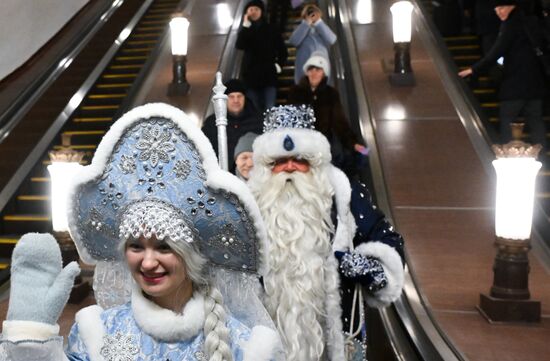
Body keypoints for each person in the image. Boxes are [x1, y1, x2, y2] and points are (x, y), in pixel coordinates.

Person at [0, 103, 283, 361]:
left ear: (192, 255)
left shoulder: (246, 347)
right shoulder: (99, 333)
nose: (148, 262)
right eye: (136, 246)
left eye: (164, 247)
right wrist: (32, 345)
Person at [247, 105, 405, 361]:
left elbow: (387, 239)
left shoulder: (345, 195)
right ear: (267, 166)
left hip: (337, 343)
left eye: (299, 160)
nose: (289, 167)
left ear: (314, 160)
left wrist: (368, 267)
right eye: (279, 161)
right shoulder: (248, 203)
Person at [458, 0, 547, 149]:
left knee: (507, 119)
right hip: (536, 84)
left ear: (512, 6)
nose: (498, 12)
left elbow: (496, 51)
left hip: (515, 84)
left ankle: (509, 156)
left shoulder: (511, 24)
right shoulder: (533, 21)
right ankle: (543, 159)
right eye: (496, 8)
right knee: (536, 120)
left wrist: (474, 69)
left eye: (502, 7)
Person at [288, 52, 368, 177]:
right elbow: (291, 118)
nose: (314, 73)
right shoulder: (295, 92)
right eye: (311, 69)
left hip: (324, 141)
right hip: (303, 142)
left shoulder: (331, 93)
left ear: (324, 73)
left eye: (318, 70)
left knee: (339, 158)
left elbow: (339, 120)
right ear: (306, 72)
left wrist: (353, 142)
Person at [236, 0, 288, 112]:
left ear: (262, 12)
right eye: (251, 10)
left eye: (256, 9)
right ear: (246, 13)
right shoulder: (246, 30)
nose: (253, 12)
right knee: (254, 110)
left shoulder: (272, 29)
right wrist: (245, 26)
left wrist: (279, 65)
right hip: (250, 78)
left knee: (270, 109)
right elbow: (239, 45)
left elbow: (283, 50)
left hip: (269, 77)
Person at [202, 78, 263, 173]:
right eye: (231, 97)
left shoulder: (258, 120)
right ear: (224, 100)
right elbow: (204, 151)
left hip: (251, 174)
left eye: (239, 96)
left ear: (245, 98)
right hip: (222, 176)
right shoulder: (212, 123)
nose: (236, 100)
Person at [289, 4, 337, 84]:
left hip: (322, 66)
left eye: (313, 13)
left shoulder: (322, 27)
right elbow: (294, 41)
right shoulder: (300, 27)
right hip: (304, 67)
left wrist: (318, 22)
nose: (312, 15)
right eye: (309, 13)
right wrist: (306, 24)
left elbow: (332, 39)